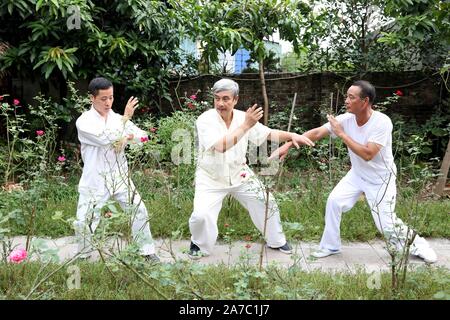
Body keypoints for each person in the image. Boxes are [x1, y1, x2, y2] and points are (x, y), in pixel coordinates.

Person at [271, 80, 437, 263]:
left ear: (365, 101)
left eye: (351, 97)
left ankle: (420, 245)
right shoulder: (345, 119)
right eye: (346, 96)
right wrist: (288, 144)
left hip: (381, 178)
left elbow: (368, 154)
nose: (346, 101)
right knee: (334, 202)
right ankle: (330, 246)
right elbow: (317, 133)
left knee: (386, 224)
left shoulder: (381, 122)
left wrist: (342, 134)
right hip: (357, 174)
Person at [188, 78, 314, 259]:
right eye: (217, 99)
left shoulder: (241, 117)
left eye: (225, 99)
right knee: (201, 216)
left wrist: (293, 135)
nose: (220, 103)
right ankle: (199, 244)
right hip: (210, 177)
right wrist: (246, 125)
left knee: (266, 202)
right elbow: (221, 146)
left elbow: (268, 133)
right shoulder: (206, 119)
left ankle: (276, 240)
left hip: (240, 173)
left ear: (235, 99)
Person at [73, 77, 159, 262]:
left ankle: (146, 252)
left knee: (139, 209)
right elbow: (106, 139)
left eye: (111, 98)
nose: (108, 102)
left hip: (120, 176)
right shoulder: (84, 121)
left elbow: (143, 136)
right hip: (95, 178)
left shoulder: (117, 118)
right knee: (84, 220)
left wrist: (126, 138)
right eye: (103, 98)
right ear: (92, 98)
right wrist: (126, 120)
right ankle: (84, 255)